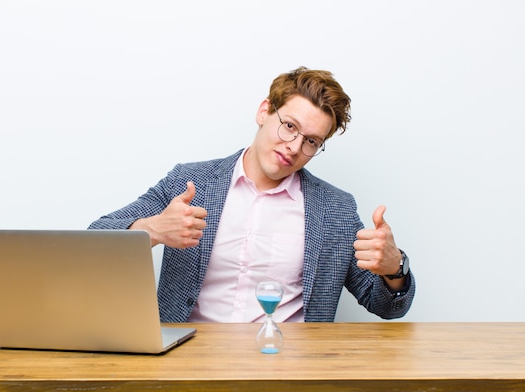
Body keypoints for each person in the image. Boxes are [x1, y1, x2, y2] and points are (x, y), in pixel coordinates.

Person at [89, 66, 415, 322]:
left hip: (288, 369)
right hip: (184, 363)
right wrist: (152, 230)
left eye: (312, 141)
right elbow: (94, 241)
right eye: (289, 126)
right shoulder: (189, 182)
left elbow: (386, 306)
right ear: (264, 112)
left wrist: (394, 268)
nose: (295, 147)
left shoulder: (335, 209)